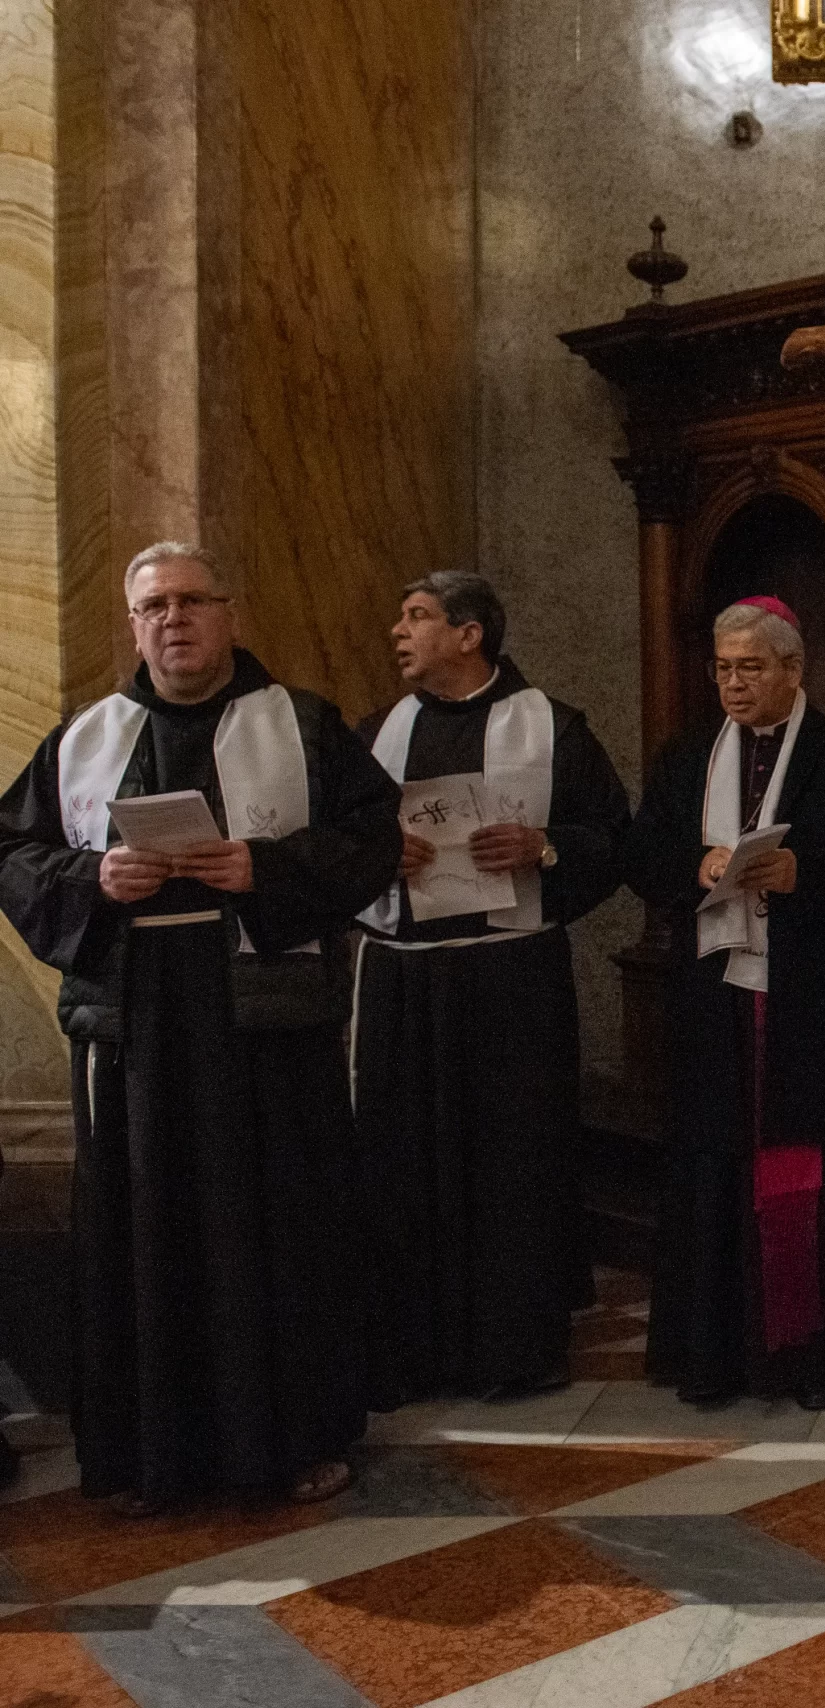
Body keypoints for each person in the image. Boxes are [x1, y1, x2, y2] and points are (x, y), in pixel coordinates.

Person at [0, 542, 400, 1512]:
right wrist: (90, 879)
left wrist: (265, 869)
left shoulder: (302, 726)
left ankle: (296, 1438)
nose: (172, 619)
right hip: (137, 1030)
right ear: (133, 625)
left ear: (229, 612)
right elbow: (15, 853)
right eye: (153, 607)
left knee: (278, 1227)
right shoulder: (84, 737)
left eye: (190, 601)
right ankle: (148, 1454)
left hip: (262, 1024)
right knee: (147, 1234)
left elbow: (374, 839)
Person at [625, 597, 825, 1411]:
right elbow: (641, 856)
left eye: (751, 667)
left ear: (795, 669)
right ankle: (713, 1355)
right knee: (716, 1169)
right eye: (722, 668)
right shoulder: (687, 756)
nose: (733, 683)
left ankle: (813, 1354)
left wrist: (804, 874)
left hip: (809, 1004)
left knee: (802, 1171)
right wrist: (698, 862)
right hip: (714, 1003)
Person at [352, 573, 631, 1406]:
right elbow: (331, 841)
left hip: (508, 974)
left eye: (417, 617)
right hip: (402, 976)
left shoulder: (553, 727)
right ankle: (408, 1349)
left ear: (470, 635)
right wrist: (377, 854)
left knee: (512, 1155)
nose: (398, 631)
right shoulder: (377, 732)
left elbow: (616, 839)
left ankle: (516, 1346)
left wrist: (544, 846)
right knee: (399, 1158)